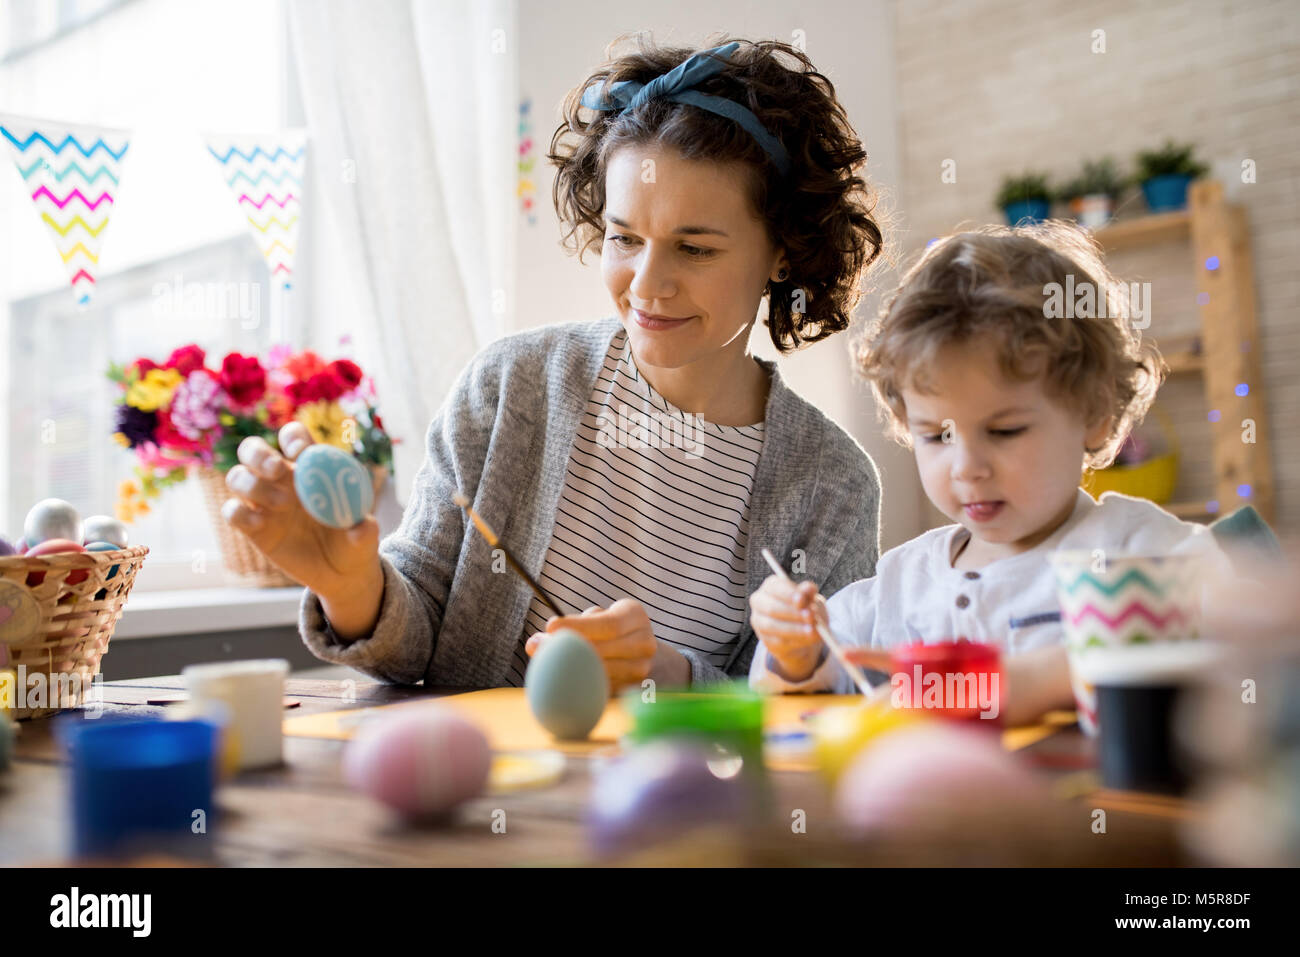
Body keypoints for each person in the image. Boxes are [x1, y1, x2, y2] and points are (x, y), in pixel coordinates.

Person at [222, 36, 887, 691]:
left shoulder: (832, 486)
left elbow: (830, 706)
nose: (648, 284)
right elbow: (414, 638)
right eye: (625, 238)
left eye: (695, 248)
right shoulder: (511, 388)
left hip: (689, 799)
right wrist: (349, 585)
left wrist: (673, 676)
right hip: (483, 792)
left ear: (782, 251)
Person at [747, 221, 1230, 724]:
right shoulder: (902, 582)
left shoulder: (1139, 552)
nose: (968, 468)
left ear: (1095, 413)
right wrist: (797, 653)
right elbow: (807, 689)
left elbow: (1243, 642)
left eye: (1004, 432)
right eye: (937, 436)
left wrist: (1041, 680)